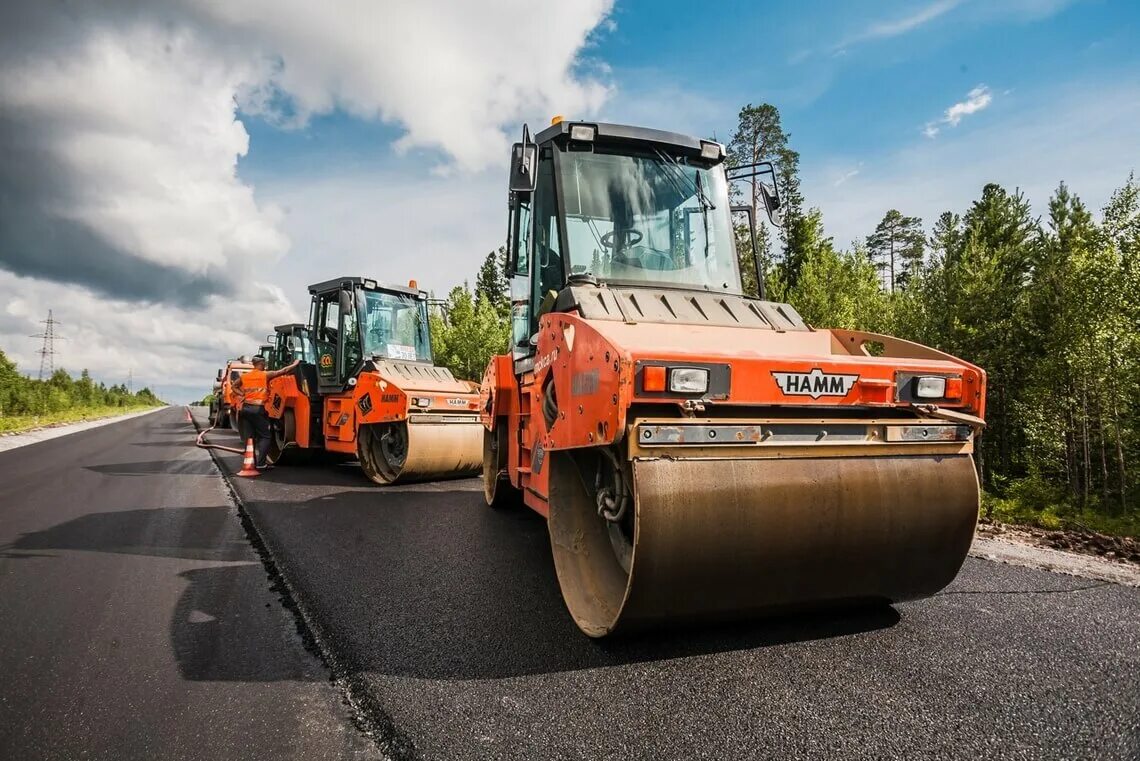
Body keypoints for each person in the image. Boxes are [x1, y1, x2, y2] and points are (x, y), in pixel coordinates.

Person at [233, 355, 300, 469]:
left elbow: (234, 386)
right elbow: (283, 371)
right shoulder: (265, 375)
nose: (265, 365)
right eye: (264, 363)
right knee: (265, 436)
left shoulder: (245, 376)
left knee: (250, 437)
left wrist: (242, 394)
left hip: (245, 409)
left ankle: (251, 462)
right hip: (257, 409)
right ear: (261, 363)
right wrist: (295, 364)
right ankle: (261, 464)